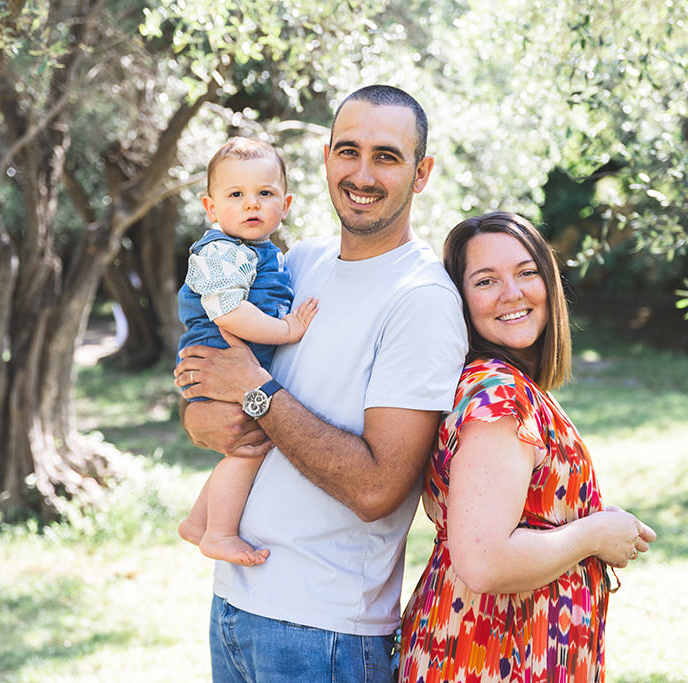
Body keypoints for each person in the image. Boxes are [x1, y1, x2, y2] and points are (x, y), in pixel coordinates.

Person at [173, 85, 469, 681]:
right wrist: (201, 416)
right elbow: (212, 394)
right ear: (326, 158)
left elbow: (378, 489)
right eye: (348, 151)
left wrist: (256, 393)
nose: (362, 173)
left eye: (386, 156)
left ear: (422, 172)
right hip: (235, 604)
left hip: (326, 632)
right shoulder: (292, 263)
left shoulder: (422, 300)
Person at [399, 212, 658, 683]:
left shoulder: (509, 387)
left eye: (526, 272)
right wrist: (595, 534)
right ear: (460, 301)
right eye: (485, 281)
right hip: (492, 656)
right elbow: (484, 561)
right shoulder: (498, 394)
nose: (511, 293)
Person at [175, 137, 318, 565]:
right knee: (248, 450)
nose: (251, 204)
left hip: (235, 362)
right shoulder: (221, 251)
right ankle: (218, 533)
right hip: (219, 356)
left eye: (265, 194)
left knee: (244, 449)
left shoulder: (261, 252)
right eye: (236, 195)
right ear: (211, 208)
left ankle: (199, 521)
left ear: (285, 204)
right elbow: (228, 311)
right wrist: (286, 329)